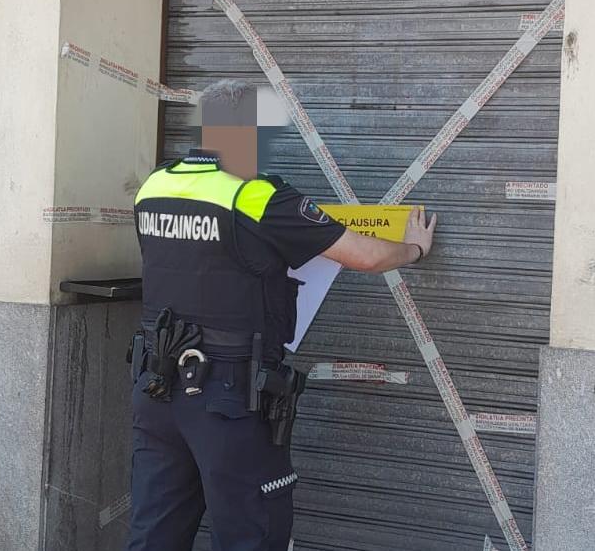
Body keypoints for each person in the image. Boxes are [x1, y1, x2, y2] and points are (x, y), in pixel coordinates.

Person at [127, 80, 437, 551]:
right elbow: (365, 256)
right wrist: (414, 249)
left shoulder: (154, 185)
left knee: (155, 534)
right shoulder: (255, 198)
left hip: (157, 388)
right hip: (226, 399)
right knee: (251, 534)